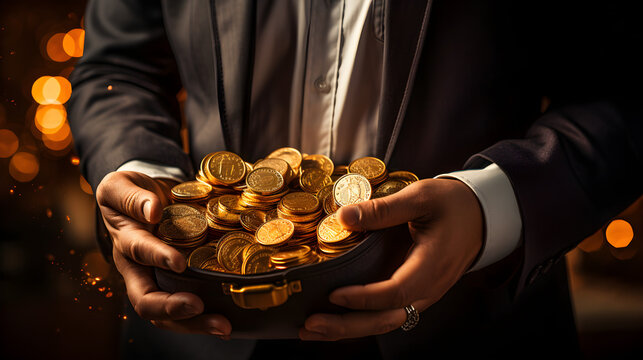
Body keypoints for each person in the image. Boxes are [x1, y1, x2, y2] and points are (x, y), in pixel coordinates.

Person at [68, 0, 642, 358]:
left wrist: (491, 206)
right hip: (199, 325)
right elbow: (117, 67)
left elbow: (622, 91)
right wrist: (145, 181)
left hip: (466, 324)